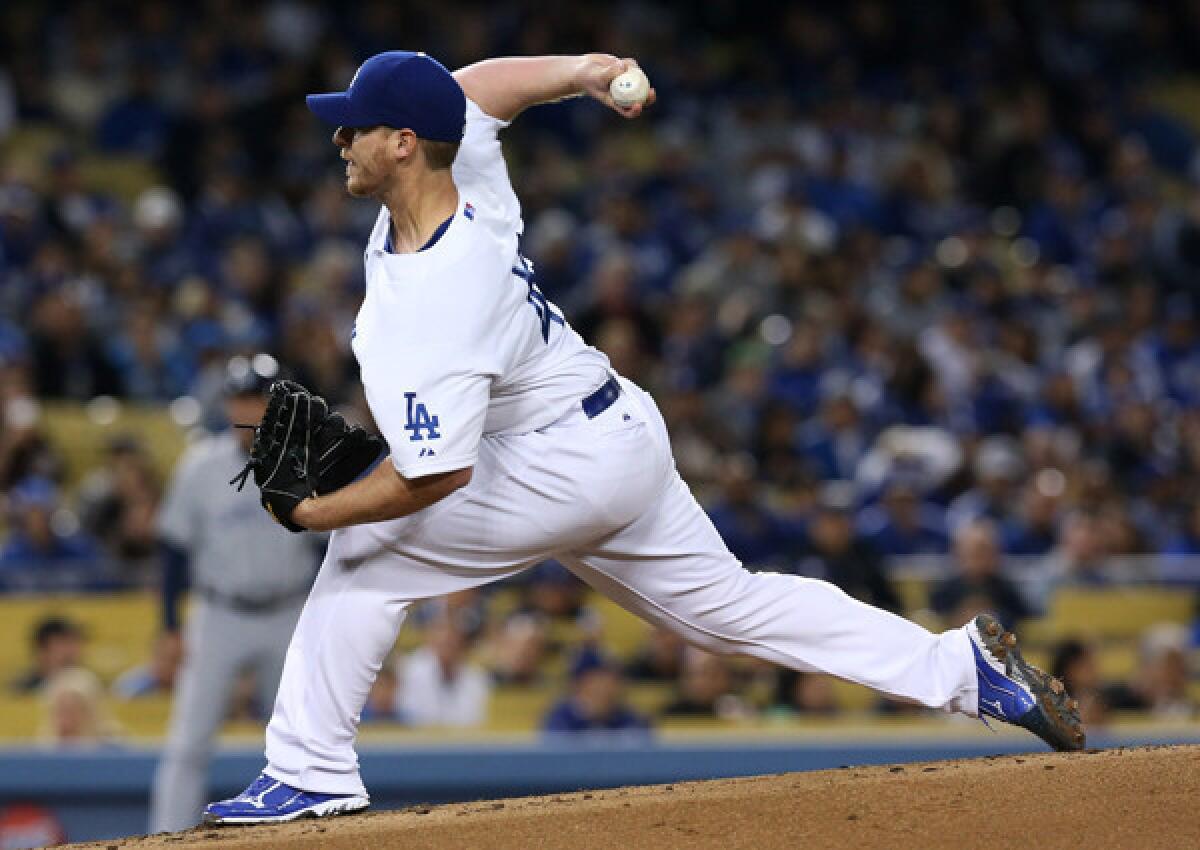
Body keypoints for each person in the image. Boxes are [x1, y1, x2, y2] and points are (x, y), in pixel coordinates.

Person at [203, 50, 1082, 826]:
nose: (338, 140)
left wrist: (318, 513)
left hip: (553, 463)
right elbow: (473, 90)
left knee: (363, 553)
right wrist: (584, 68)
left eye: (353, 127)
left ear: (400, 142)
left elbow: (435, 477)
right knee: (731, 607)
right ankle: (963, 669)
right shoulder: (455, 160)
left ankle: (309, 771)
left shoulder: (433, 307)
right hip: (612, 426)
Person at [148, 354, 323, 832]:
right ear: (228, 405)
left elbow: (333, 544)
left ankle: (308, 835)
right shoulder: (200, 466)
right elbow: (173, 551)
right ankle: (166, 837)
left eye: (261, 398)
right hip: (219, 614)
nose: (252, 408)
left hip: (288, 611)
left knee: (301, 741)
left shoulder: (305, 462)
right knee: (189, 742)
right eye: (243, 397)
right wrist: (168, 626)